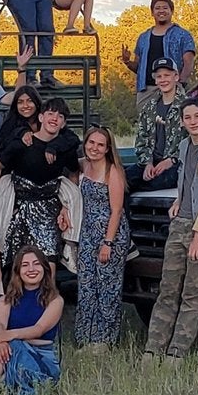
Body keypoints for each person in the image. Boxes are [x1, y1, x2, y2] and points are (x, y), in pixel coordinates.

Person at [145, 101, 198, 363]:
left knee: (193, 292)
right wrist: (179, 201)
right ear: (182, 121)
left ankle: (177, 352)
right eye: (187, 117)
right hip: (180, 223)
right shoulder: (183, 147)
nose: (192, 121)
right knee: (168, 288)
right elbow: (187, 180)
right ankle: (153, 348)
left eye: (197, 116)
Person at [0, 98, 80, 276]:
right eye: (50, 113)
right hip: (19, 210)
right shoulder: (22, 143)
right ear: (41, 117)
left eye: (60, 116)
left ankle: (49, 301)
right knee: (19, 263)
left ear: (64, 123)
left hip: (49, 210)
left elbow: (73, 173)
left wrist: (67, 205)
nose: (54, 118)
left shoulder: (67, 148)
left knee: (48, 260)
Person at [0, 247, 63, 395]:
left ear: (44, 268)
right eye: (25, 265)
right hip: (7, 352)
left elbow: (38, 329)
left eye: (36, 264)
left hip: (41, 359)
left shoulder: (55, 300)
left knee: (14, 345)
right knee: (5, 349)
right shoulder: (5, 300)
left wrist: (7, 337)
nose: (31, 269)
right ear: (18, 271)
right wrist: (0, 341)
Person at [73, 126, 131, 352]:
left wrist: (108, 242)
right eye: (91, 143)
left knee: (107, 285)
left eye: (100, 145)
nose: (94, 148)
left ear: (107, 149)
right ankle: (84, 337)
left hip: (110, 234)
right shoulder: (82, 166)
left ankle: (103, 340)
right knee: (87, 284)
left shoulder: (112, 172)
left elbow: (116, 210)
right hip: (87, 232)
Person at [131, 59, 190, 192]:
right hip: (152, 163)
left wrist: (172, 160)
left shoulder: (187, 106)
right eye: (159, 76)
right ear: (155, 80)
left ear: (176, 76)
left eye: (167, 75)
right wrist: (147, 163)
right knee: (122, 180)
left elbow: (192, 140)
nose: (163, 80)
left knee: (160, 181)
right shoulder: (149, 107)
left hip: (177, 165)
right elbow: (142, 139)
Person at [126, 0, 198, 91]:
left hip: (173, 89)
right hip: (146, 91)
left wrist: (180, 84)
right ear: (152, 12)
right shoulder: (143, 37)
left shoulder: (183, 35)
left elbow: (188, 63)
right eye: (157, 8)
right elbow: (139, 68)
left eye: (165, 8)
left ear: (171, 11)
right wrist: (127, 62)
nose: (161, 11)